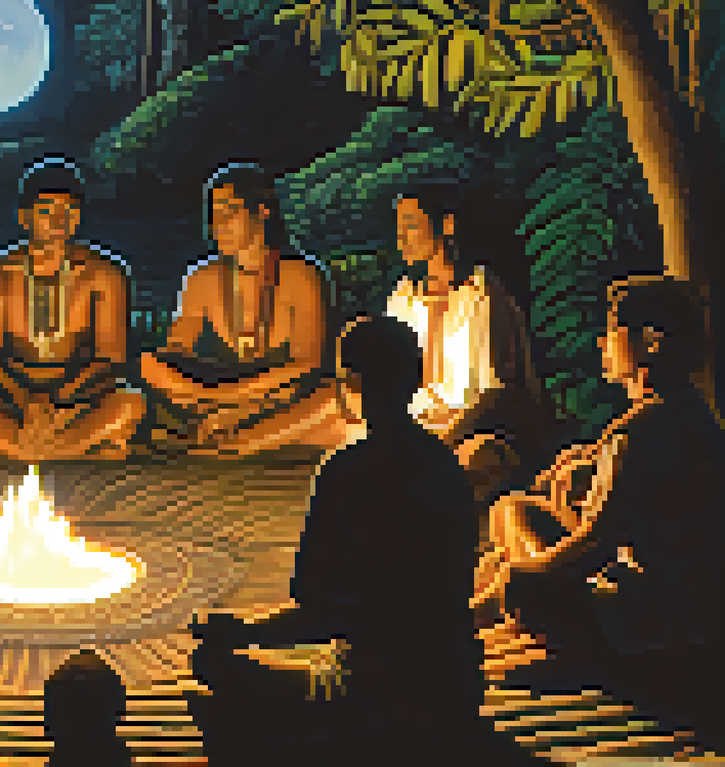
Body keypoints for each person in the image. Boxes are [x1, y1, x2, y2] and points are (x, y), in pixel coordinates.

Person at [189, 316, 543, 765]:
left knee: (213, 669)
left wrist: (239, 631)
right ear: (415, 377)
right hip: (454, 686)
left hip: (372, 691)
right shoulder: (446, 468)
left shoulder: (346, 471)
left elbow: (316, 609)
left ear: (348, 386)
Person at [497, 274, 724, 753]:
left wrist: (522, 573)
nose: (602, 343)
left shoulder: (636, 436)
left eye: (612, 331)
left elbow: (591, 547)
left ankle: (565, 649)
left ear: (650, 342)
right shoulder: (696, 418)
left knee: (514, 526)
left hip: (642, 623)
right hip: (689, 608)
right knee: (518, 512)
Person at [139, 163, 361, 459]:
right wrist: (209, 392)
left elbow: (308, 364)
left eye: (230, 213)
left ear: (262, 211)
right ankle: (241, 431)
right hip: (214, 396)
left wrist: (228, 396)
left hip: (277, 396)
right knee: (147, 365)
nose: (220, 226)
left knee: (337, 398)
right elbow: (176, 353)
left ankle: (229, 441)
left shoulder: (302, 275)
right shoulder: (201, 278)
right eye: (214, 217)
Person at [0, 156, 146, 462]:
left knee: (131, 403)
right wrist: (27, 400)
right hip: (11, 400)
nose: (58, 221)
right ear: (25, 218)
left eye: (68, 211)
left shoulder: (104, 275)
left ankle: (11, 448)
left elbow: (111, 357)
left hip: (77, 400)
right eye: (46, 212)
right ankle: (81, 448)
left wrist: (59, 400)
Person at [386, 183, 554, 504]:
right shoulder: (403, 299)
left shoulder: (482, 295)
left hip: (476, 431)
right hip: (418, 428)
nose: (402, 240)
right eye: (398, 229)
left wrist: (443, 438)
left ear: (445, 225)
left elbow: (495, 395)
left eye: (410, 226)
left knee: (466, 465)